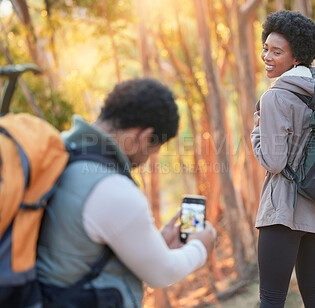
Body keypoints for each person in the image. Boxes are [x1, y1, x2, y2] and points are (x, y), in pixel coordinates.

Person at [36, 78, 216, 307]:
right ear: (142, 137)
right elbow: (162, 273)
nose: (147, 159)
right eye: (153, 150)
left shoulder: (62, 152)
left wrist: (153, 244)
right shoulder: (111, 187)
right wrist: (201, 246)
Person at [251, 10, 315, 308]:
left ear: (296, 57)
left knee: (272, 298)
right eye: (266, 47)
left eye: (277, 51)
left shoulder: (275, 97)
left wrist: (256, 130)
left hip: (284, 210)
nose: (267, 56)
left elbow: (274, 162)